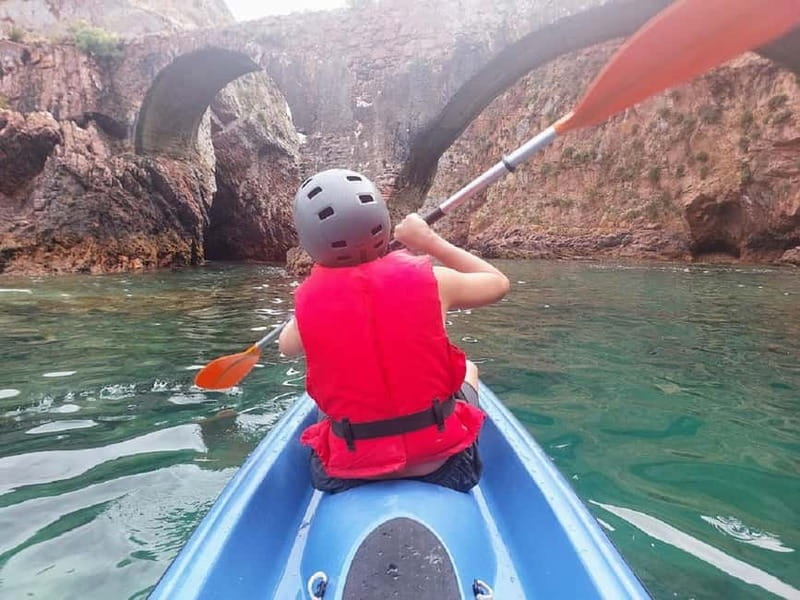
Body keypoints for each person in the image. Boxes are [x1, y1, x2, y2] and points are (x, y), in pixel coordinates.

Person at [279, 168, 509, 493]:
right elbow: (498, 284)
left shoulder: (307, 303)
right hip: (444, 467)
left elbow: (285, 347)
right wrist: (430, 242)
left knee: (325, 405)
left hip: (346, 474)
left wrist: (310, 303)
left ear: (309, 241)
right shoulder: (436, 281)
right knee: (468, 368)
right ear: (383, 225)